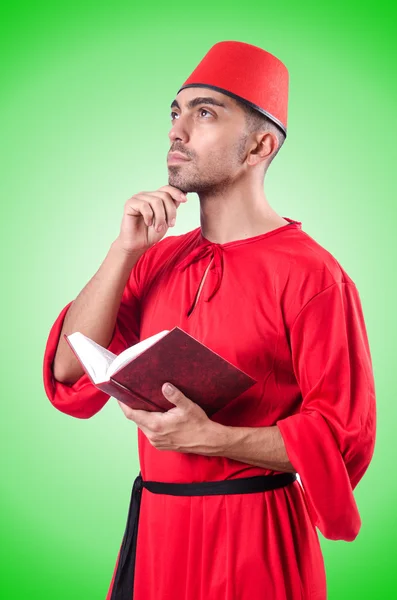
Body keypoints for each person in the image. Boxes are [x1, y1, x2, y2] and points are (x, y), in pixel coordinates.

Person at [42, 41, 377, 600]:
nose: (177, 130)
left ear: (259, 146)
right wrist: (122, 252)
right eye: (175, 112)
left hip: (257, 537)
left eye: (204, 112)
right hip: (158, 535)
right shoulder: (155, 259)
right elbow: (69, 369)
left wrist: (212, 438)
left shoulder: (316, 276)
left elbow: (340, 440)